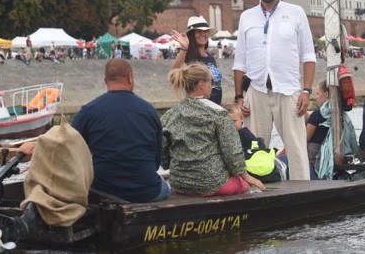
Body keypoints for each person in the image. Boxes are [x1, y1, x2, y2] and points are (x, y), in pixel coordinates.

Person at [233, 0, 316, 180]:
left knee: (296, 148)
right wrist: (239, 96)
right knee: (252, 148)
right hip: (256, 91)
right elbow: (239, 61)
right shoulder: (246, 17)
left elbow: (308, 55)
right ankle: (257, 189)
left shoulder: (295, 13)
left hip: (288, 90)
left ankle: (302, 191)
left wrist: (306, 91)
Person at [71, 58, 170, 203]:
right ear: (130, 77)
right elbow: (156, 162)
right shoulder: (149, 111)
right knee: (166, 187)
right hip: (146, 191)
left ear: (105, 80)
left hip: (103, 190)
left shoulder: (88, 111)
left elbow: (70, 150)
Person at [162, 63, 265, 196]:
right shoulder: (218, 113)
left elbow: (162, 150)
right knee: (243, 186)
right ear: (201, 84)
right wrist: (246, 177)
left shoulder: (170, 114)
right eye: (211, 82)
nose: (212, 85)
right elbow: (232, 151)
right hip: (212, 183)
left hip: (179, 183)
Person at [170, 15, 223, 105]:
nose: (203, 34)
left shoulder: (210, 57)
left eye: (205, 31)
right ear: (192, 35)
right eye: (198, 31)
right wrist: (184, 49)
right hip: (198, 108)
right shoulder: (188, 57)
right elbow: (174, 74)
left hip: (215, 108)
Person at [306, 81, 331, 178]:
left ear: (326, 94)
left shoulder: (317, 114)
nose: (315, 97)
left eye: (317, 94)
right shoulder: (338, 113)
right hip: (329, 155)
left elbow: (305, 139)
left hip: (313, 157)